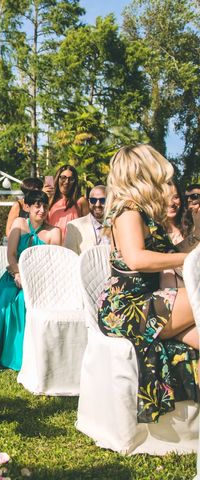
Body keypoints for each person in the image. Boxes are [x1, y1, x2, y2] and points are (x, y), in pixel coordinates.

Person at [97, 144, 198, 424]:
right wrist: (186, 259)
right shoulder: (127, 210)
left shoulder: (143, 212)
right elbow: (137, 258)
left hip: (148, 301)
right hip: (127, 309)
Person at [0, 190, 61, 371]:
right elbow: (10, 255)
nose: (41, 210)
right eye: (37, 206)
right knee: (0, 304)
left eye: (44, 206)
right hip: (13, 276)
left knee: (22, 301)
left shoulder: (54, 232)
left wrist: (33, 281)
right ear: (27, 207)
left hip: (40, 281)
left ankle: (22, 358)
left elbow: (54, 261)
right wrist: (18, 275)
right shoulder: (19, 223)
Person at [46, 164, 88, 242]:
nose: (66, 182)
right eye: (63, 177)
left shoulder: (81, 201)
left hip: (74, 246)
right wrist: (43, 197)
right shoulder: (48, 200)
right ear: (57, 179)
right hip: (52, 246)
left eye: (71, 179)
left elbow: (88, 227)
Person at [64, 185, 109, 254]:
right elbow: (70, 257)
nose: (97, 204)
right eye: (93, 200)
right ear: (89, 202)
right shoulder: (74, 226)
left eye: (102, 200)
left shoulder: (118, 226)